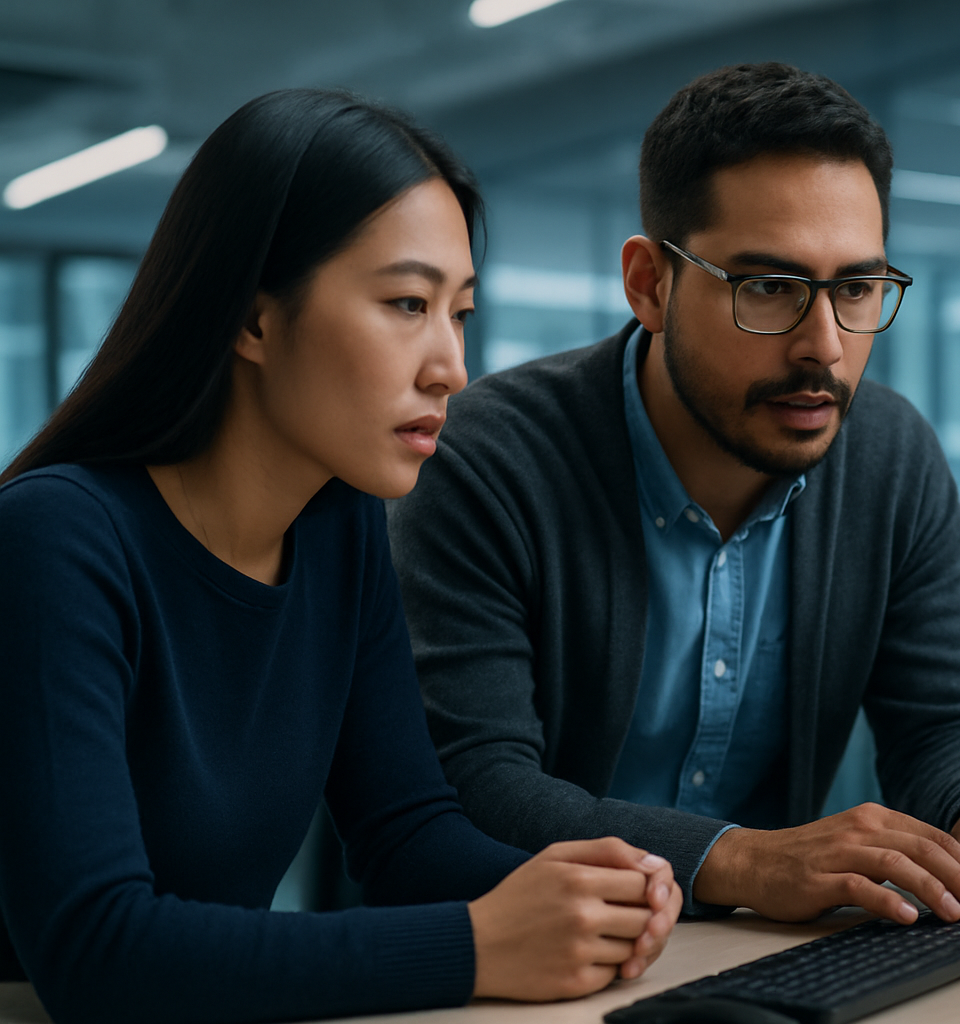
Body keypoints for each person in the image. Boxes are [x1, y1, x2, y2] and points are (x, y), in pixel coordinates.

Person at [0, 89, 682, 1024]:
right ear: (251, 319)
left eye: (460, 312)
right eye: (407, 303)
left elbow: (407, 834)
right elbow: (97, 952)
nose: (450, 367)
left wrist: (583, 894)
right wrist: (478, 945)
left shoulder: (338, 526)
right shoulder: (55, 540)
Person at [388, 62, 960, 926]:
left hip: (761, 959)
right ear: (650, 284)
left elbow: (946, 719)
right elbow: (475, 788)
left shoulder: (890, 454)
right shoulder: (488, 459)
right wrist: (741, 858)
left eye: (855, 289)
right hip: (529, 958)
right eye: (769, 288)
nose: (825, 348)